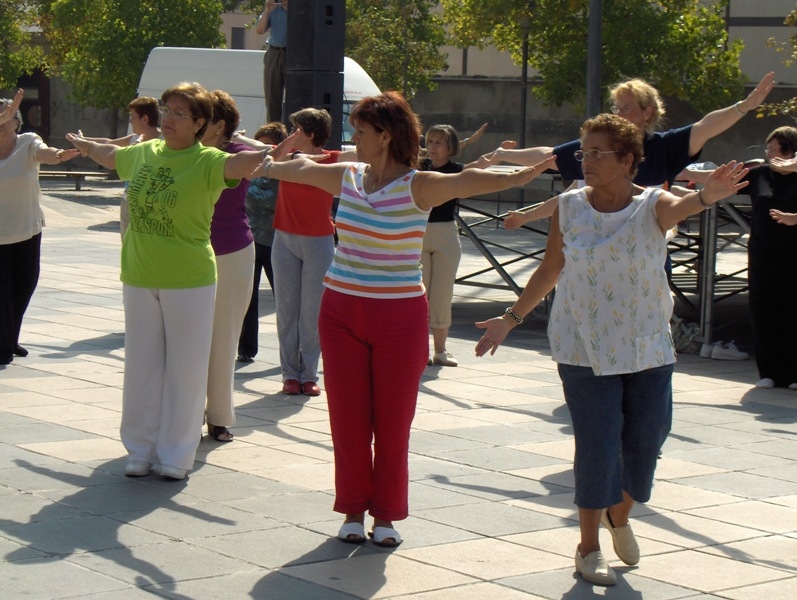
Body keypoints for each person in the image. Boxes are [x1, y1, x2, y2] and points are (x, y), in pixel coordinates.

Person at [250, 91, 558, 547]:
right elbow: (300, 169)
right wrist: (262, 163)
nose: (353, 136)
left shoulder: (420, 185)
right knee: (347, 419)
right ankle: (352, 510)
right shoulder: (348, 176)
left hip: (399, 316)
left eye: (360, 129)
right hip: (340, 311)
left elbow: (474, 181)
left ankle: (387, 516)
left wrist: (529, 171)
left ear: (385, 135)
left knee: (392, 424)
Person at [474, 113, 749, 585]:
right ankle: (587, 548)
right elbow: (550, 268)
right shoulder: (568, 205)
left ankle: (619, 515)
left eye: (599, 153)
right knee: (597, 446)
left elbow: (683, 207)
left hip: (646, 346)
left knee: (647, 441)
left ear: (627, 161)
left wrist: (707, 196)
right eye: (585, 153)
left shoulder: (652, 205)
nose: (589, 161)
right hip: (582, 345)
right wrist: (509, 319)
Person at [66, 82, 282, 479]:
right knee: (142, 366)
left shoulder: (207, 161)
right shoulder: (145, 152)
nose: (167, 118)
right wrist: (85, 145)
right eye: (166, 110)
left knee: (186, 368)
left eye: (179, 113)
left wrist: (267, 155)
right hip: (140, 274)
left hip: (190, 279)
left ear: (200, 123)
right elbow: (112, 157)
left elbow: (239, 166)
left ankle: (176, 456)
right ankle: (140, 449)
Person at [496, 72, 775, 229]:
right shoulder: (597, 147)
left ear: (647, 112)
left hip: (644, 249)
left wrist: (744, 106)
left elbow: (705, 126)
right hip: (593, 245)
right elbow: (555, 166)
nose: (619, 114)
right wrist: (503, 156)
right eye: (617, 108)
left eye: (627, 108)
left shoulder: (663, 147)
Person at [1, 89, 80, 365]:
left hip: (27, 230)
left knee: (24, 286)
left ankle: (10, 338)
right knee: (2, 292)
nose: (2, 121)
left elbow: (44, 153)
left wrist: (59, 154)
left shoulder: (27, 143)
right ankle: (3, 345)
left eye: (7, 116)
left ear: (16, 122)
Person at [272, 108, 341, 397]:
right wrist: (290, 144)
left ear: (310, 133)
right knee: (287, 311)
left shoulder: (332, 159)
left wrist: (311, 156)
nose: (291, 135)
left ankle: (309, 374)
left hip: (319, 242)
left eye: (296, 130)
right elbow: (268, 161)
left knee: (312, 312)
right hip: (284, 240)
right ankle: (290, 374)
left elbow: (363, 159)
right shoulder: (286, 158)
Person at [201, 90, 256, 442]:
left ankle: (219, 417)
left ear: (219, 124)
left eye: (200, 117)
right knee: (189, 340)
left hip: (231, 253)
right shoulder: (186, 152)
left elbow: (258, 156)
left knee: (222, 339)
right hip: (189, 253)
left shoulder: (240, 155)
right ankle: (184, 414)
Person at [419, 124, 496, 367]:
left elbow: (478, 169)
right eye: (430, 142)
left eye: (438, 143)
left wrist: (500, 153)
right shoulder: (419, 168)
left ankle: (440, 351)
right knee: (417, 294)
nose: (432, 147)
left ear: (450, 147)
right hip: (418, 232)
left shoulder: (458, 170)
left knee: (441, 295)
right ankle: (419, 351)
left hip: (445, 234)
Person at [735, 126, 797, 389]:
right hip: (762, 255)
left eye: (774, 149)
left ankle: (794, 373)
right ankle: (768, 372)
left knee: (793, 313)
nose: (768, 154)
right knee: (764, 311)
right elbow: (724, 180)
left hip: (794, 256)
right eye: (767, 149)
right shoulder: (759, 174)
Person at [237, 122, 288, 363]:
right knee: (248, 297)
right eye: (261, 144)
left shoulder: (284, 171)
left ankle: (292, 352)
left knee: (286, 301)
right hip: (250, 240)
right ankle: (246, 349)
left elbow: (272, 202)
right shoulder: (250, 170)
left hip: (277, 241)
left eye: (269, 146)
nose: (264, 151)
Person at [78, 97, 160, 238]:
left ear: (145, 119)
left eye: (132, 117)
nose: (130, 121)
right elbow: (108, 142)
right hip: (129, 200)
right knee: (127, 243)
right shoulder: (134, 139)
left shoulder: (164, 141)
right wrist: (84, 141)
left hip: (152, 203)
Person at [256, 0, 289, 123]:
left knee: (295, 96)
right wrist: (267, 11)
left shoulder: (300, 11)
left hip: (293, 56)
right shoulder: (274, 9)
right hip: (274, 53)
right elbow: (259, 30)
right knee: (272, 96)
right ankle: (273, 129)